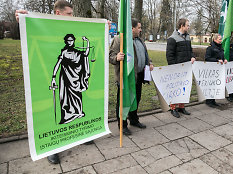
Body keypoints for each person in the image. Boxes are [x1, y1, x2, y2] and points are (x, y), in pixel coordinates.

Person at [15, 0, 96, 165]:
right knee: (61, 105)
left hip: (75, 78)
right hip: (62, 79)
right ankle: (52, 149)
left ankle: (79, 135)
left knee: (78, 101)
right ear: (58, 13)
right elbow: (50, 56)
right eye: (69, 14)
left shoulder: (73, 27)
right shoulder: (45, 26)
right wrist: (22, 20)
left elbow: (87, 50)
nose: (72, 17)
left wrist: (104, 27)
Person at [109, 18, 154, 135]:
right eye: (138, 27)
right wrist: (116, 58)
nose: (140, 29)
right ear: (132, 28)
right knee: (123, 102)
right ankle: (122, 125)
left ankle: (134, 119)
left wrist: (149, 63)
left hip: (139, 76)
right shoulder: (119, 40)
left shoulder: (140, 40)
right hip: (126, 77)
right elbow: (110, 56)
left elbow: (144, 54)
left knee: (136, 98)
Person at [166, 18, 195, 118]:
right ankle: (173, 108)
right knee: (175, 89)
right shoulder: (172, 38)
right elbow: (169, 55)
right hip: (177, 69)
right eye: (187, 25)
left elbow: (190, 50)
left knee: (184, 88)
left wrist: (192, 56)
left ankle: (181, 107)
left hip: (186, 68)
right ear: (182, 26)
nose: (188, 27)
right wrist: (174, 67)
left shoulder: (187, 37)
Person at [204, 33, 227, 107]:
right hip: (211, 70)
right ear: (215, 39)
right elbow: (207, 58)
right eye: (219, 39)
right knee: (211, 85)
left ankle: (213, 100)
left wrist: (224, 60)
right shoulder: (210, 48)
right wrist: (216, 60)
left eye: (221, 39)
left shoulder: (221, 47)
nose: (221, 40)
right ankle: (209, 101)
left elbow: (221, 57)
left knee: (215, 85)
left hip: (218, 70)